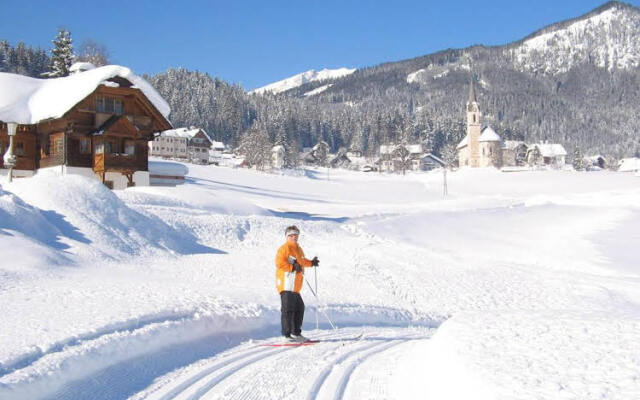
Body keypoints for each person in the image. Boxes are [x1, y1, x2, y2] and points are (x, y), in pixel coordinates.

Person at [274, 225, 319, 342]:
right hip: (286, 283)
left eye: (296, 235)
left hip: (295, 286)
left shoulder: (298, 249)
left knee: (299, 308)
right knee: (288, 309)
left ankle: (296, 333)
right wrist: (292, 267)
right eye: (291, 235)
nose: (294, 237)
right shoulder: (284, 248)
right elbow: (279, 263)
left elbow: (302, 261)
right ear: (287, 236)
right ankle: (286, 335)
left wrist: (311, 263)